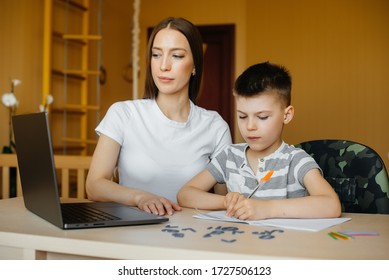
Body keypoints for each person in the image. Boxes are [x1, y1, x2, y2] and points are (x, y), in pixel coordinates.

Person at [86, 17, 231, 216]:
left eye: (177, 56)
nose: (164, 66)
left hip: (192, 237)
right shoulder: (123, 113)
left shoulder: (215, 126)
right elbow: (94, 185)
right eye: (156, 55)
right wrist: (140, 198)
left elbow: (226, 201)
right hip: (132, 233)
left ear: (195, 65)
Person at [177, 62, 341, 220]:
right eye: (242, 116)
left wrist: (267, 208)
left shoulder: (295, 160)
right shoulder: (229, 156)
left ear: (286, 115)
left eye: (262, 117)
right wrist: (226, 201)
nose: (250, 126)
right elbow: (185, 195)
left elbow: (331, 205)